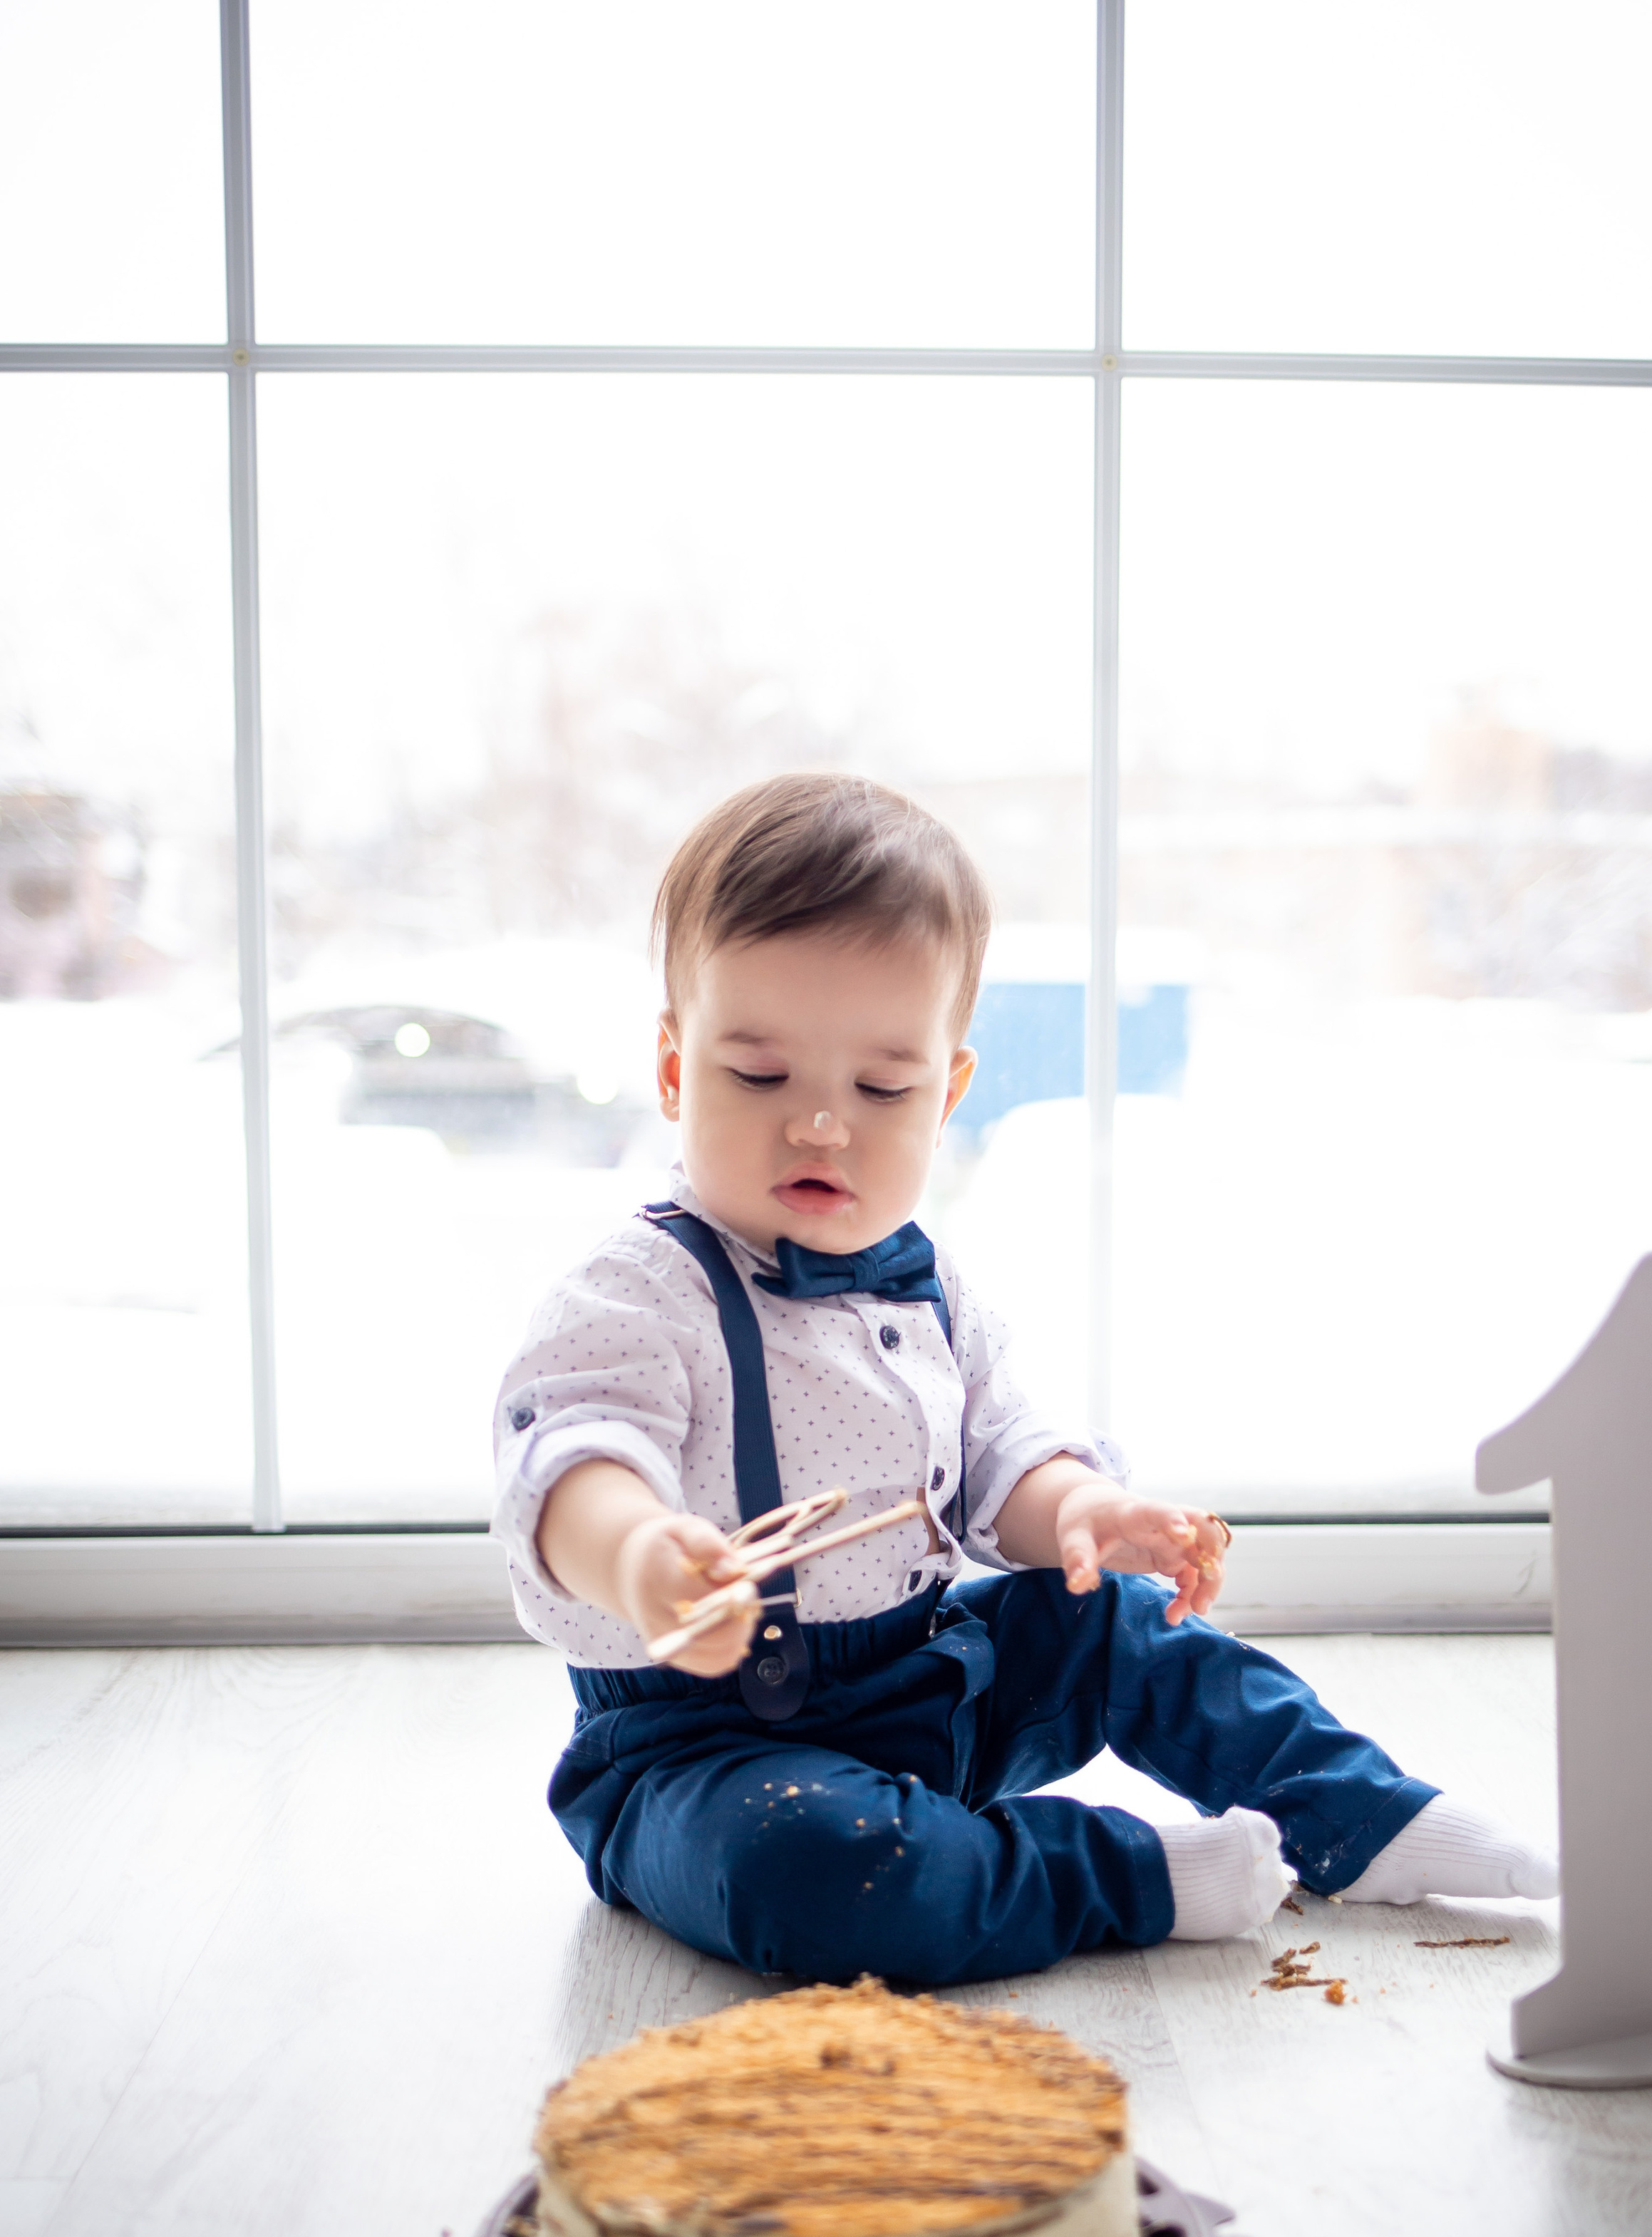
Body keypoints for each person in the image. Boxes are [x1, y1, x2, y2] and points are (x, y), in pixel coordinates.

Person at [492, 773, 1557, 1985]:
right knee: (814, 1869)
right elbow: (572, 1453)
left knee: (1122, 1623)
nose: (823, 1127)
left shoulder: (930, 1290)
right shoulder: (638, 1290)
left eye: (881, 1089)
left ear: (945, 1092)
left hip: (924, 1677)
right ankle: (1123, 1874)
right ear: (678, 1073)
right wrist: (636, 1557)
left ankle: (1358, 1817)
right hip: (701, 1752)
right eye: (761, 1077)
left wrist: (1084, 1516)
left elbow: (1004, 1451)